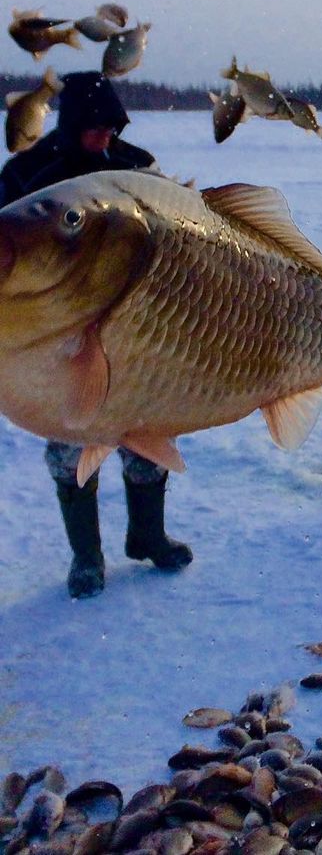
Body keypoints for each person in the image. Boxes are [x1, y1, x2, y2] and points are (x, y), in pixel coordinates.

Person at [0, 71, 193, 599]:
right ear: (71, 125)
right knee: (71, 446)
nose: (104, 135)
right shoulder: (29, 175)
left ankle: (147, 537)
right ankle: (86, 556)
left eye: (111, 126)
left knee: (148, 435)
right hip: (59, 341)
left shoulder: (136, 167)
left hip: (137, 330)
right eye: (94, 127)